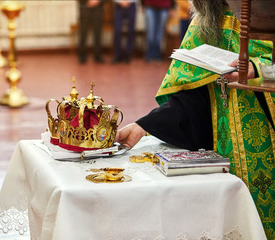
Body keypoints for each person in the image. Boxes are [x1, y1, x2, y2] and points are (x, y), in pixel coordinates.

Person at [115, 0, 275, 238]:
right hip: (224, 148)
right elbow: (191, 99)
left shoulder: (268, 14)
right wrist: (144, 125)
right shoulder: (208, 19)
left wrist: (258, 69)